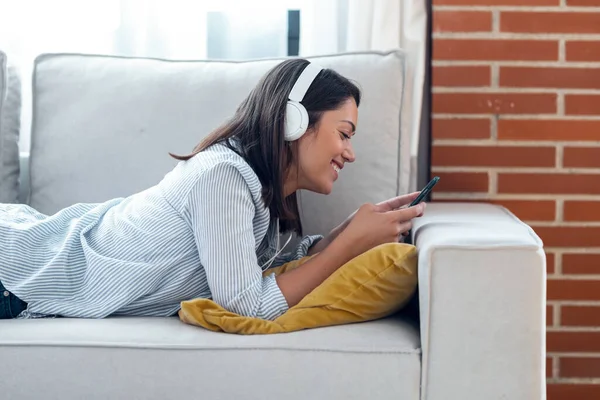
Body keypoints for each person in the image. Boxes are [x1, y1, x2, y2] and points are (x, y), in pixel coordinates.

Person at [0, 59, 425, 320]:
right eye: (345, 133)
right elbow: (247, 304)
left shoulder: (256, 191)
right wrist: (347, 246)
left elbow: (274, 270)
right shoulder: (223, 177)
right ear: (294, 122)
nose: (350, 154)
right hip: (16, 268)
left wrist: (346, 233)